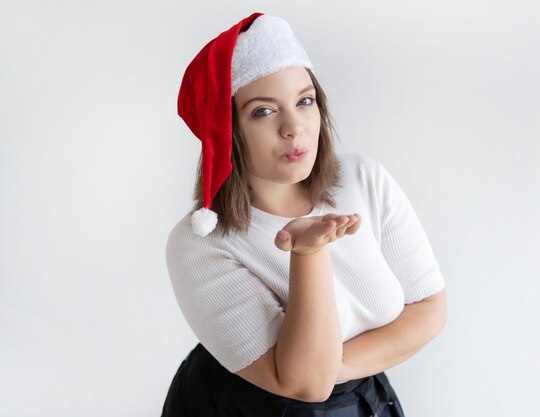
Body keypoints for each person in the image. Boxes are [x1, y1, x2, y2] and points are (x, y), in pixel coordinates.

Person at [162, 12, 447, 417]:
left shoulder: (363, 179)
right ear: (227, 131)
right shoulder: (199, 245)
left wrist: (337, 366)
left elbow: (430, 309)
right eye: (263, 111)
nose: (294, 127)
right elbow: (305, 383)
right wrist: (308, 252)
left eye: (305, 101)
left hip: (363, 399)